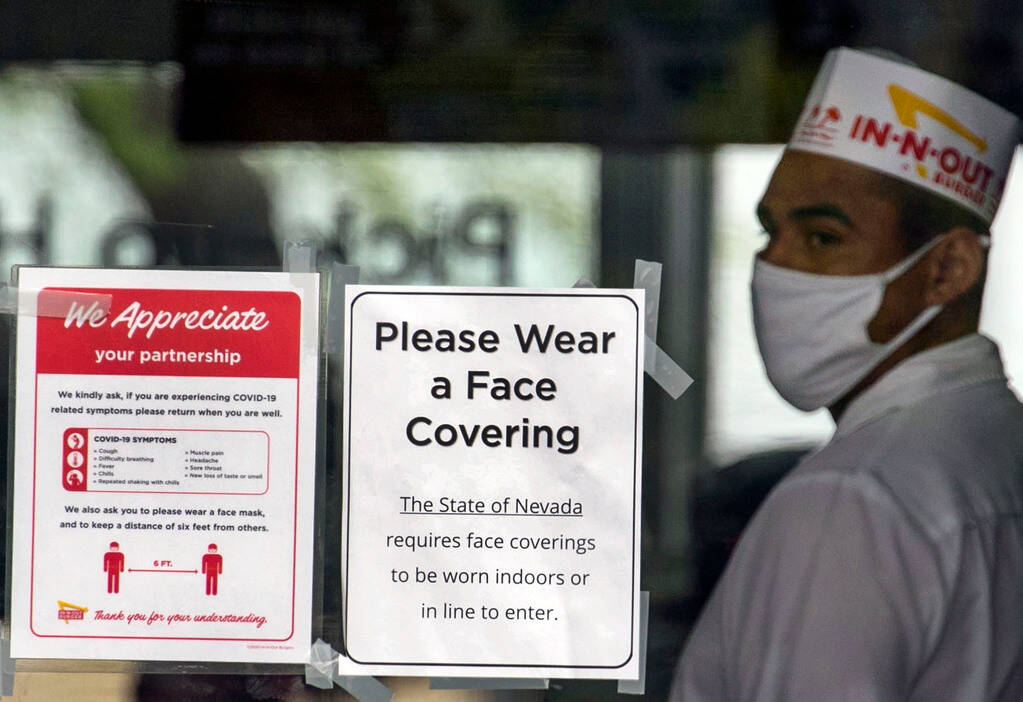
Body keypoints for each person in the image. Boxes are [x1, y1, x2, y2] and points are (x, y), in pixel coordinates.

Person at [672, 47, 1023, 700]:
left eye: (821, 238)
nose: (771, 268)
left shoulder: (849, 499)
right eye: (767, 233)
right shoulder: (995, 441)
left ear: (945, 269)